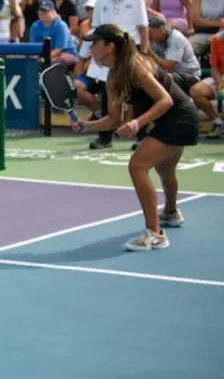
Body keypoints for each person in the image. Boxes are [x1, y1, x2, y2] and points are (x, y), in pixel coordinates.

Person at [73, 24, 199, 252]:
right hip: (171, 118)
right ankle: (171, 212)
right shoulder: (112, 77)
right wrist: (86, 126)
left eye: (95, 43)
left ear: (110, 46)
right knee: (164, 170)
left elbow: (165, 100)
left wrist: (137, 123)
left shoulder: (134, 66)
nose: (90, 48)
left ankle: (155, 234)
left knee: (137, 166)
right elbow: (113, 119)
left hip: (180, 116)